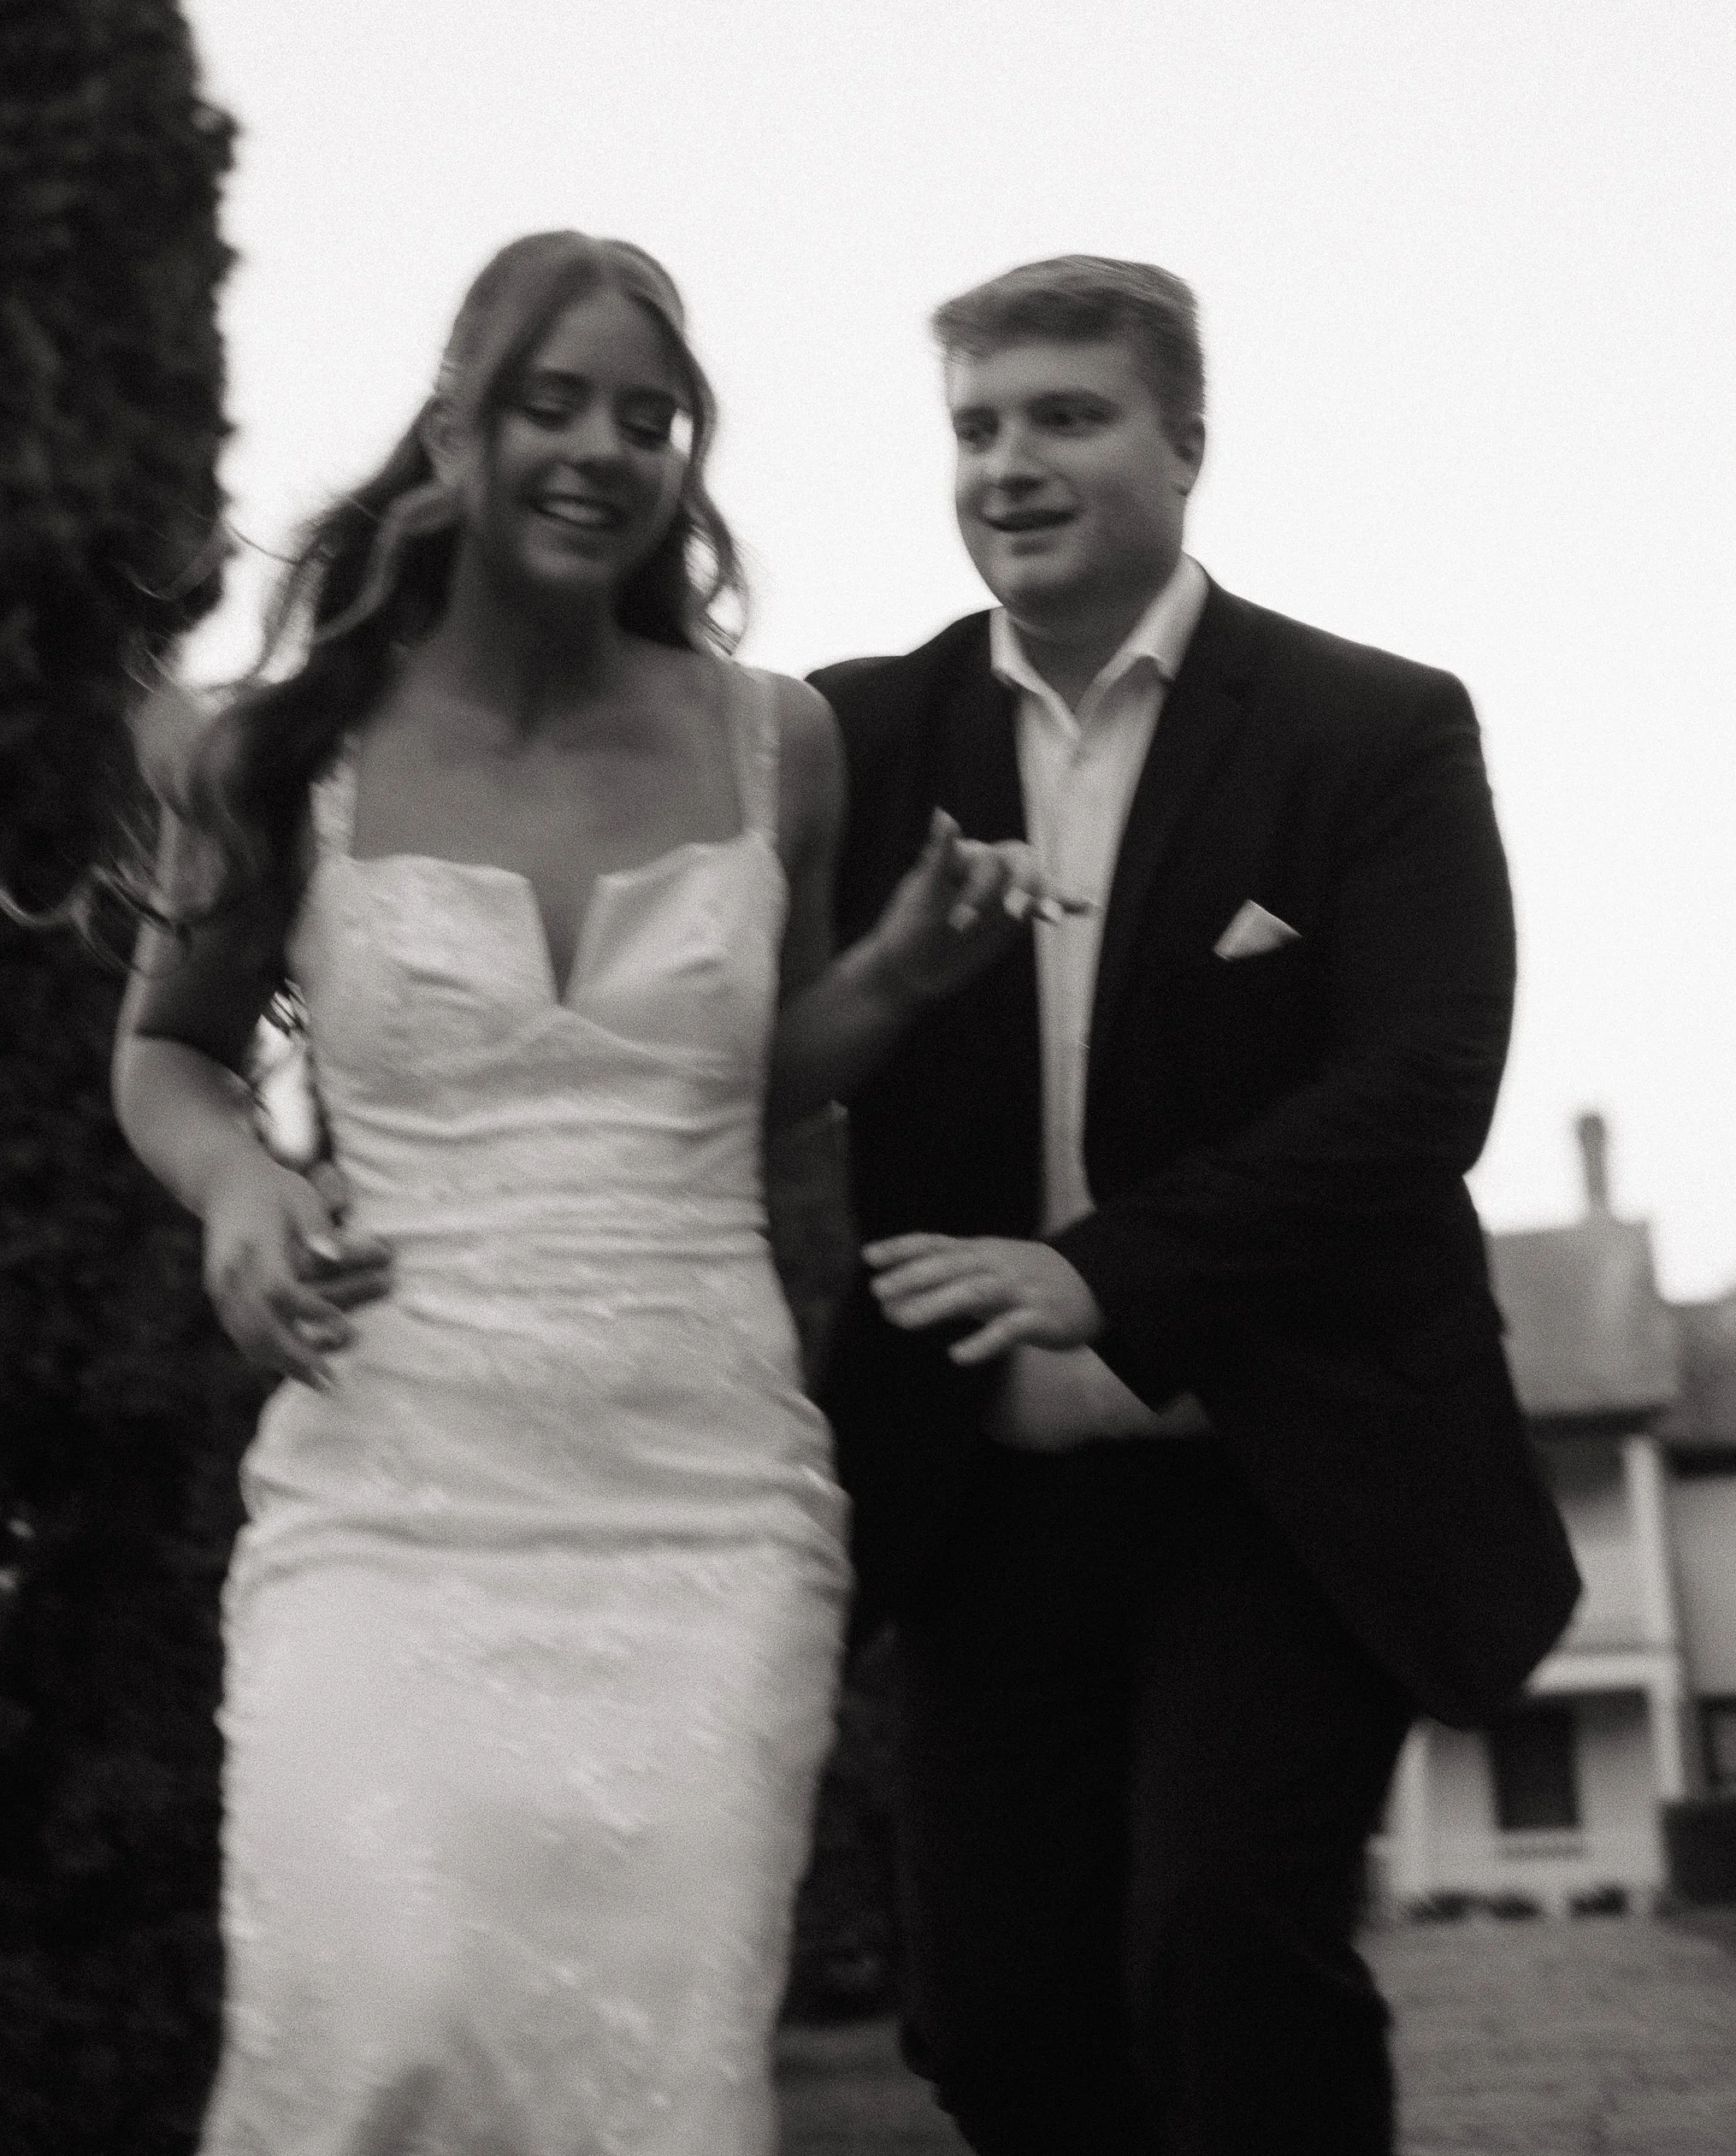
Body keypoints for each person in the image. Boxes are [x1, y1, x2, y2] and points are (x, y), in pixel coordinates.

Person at [113, 231, 1066, 2156]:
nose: (604, 447)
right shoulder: (279, 753)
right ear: (454, 432)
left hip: (696, 1508)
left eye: (651, 417)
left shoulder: (767, 735)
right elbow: (169, 1055)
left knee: (654, 2079)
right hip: (386, 1495)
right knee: (371, 2016)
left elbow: (750, 1087)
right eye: (554, 402)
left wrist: (889, 979)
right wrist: (235, 1185)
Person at [813, 254, 1580, 2156]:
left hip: (1281, 1471)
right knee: (994, 2022)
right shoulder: (852, 742)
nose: (1009, 464)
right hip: (977, 1501)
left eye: (1063, 415)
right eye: (975, 426)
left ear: (1185, 445)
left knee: (1223, 1943)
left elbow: (1420, 1090)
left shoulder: (1372, 731)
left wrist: (1102, 1275)